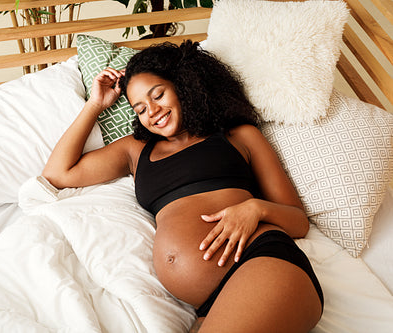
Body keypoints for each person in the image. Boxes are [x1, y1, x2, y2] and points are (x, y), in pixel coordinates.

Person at [42, 40, 323, 332]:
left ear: (183, 85)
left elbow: (298, 221)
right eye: (139, 108)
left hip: (264, 260)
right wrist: (95, 105)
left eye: (158, 95)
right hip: (210, 303)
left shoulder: (239, 136)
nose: (151, 111)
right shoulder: (136, 151)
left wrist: (254, 209)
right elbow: (58, 172)